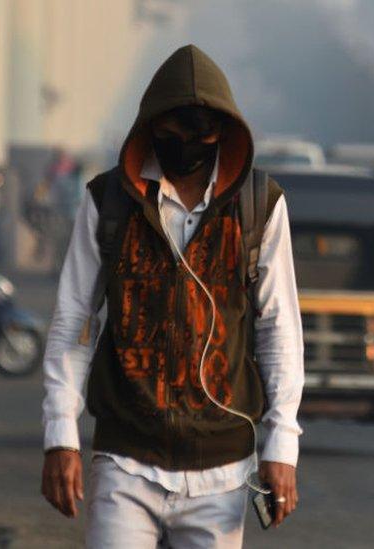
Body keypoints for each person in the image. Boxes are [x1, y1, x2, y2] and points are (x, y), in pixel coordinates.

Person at [40, 45, 304, 547]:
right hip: (125, 462)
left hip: (223, 472)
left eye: (202, 132)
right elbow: (74, 320)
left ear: (224, 132)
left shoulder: (259, 206)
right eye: (175, 131)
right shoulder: (108, 201)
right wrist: (61, 436)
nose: (189, 143)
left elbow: (279, 330)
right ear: (152, 127)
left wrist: (282, 446)